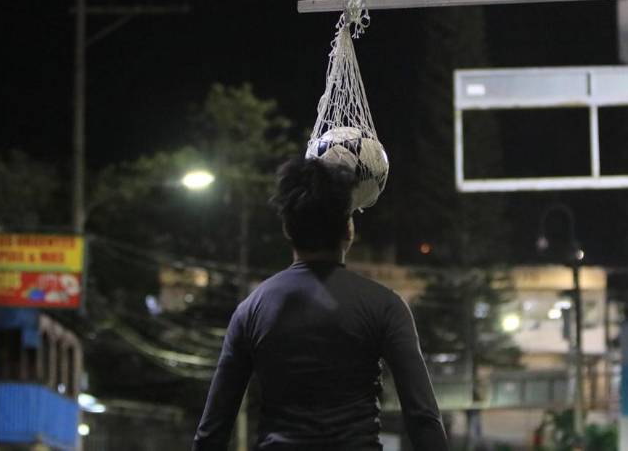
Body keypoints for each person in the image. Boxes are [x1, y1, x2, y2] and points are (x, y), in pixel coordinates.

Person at [192, 157, 449, 450]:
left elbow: (212, 431)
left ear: (288, 229)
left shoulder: (250, 311)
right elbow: (423, 418)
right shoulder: (386, 306)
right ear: (348, 231)